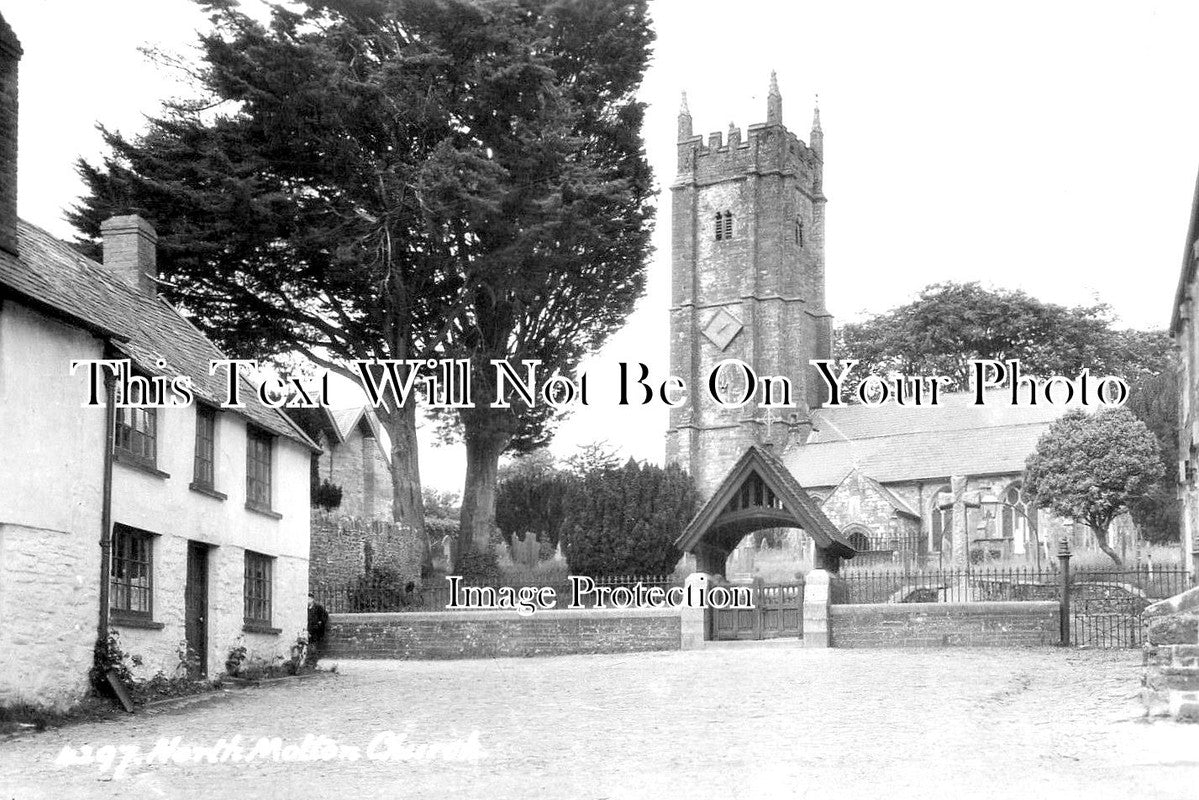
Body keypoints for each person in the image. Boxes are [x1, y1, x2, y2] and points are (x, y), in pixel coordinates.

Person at [306, 593, 329, 666]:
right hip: (309, 628)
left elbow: (325, 616)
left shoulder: (318, 607)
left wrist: (320, 623)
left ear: (312, 599)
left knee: (314, 645)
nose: (307, 601)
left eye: (309, 599)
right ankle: (309, 661)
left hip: (316, 630)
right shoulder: (305, 608)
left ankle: (313, 662)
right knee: (309, 645)